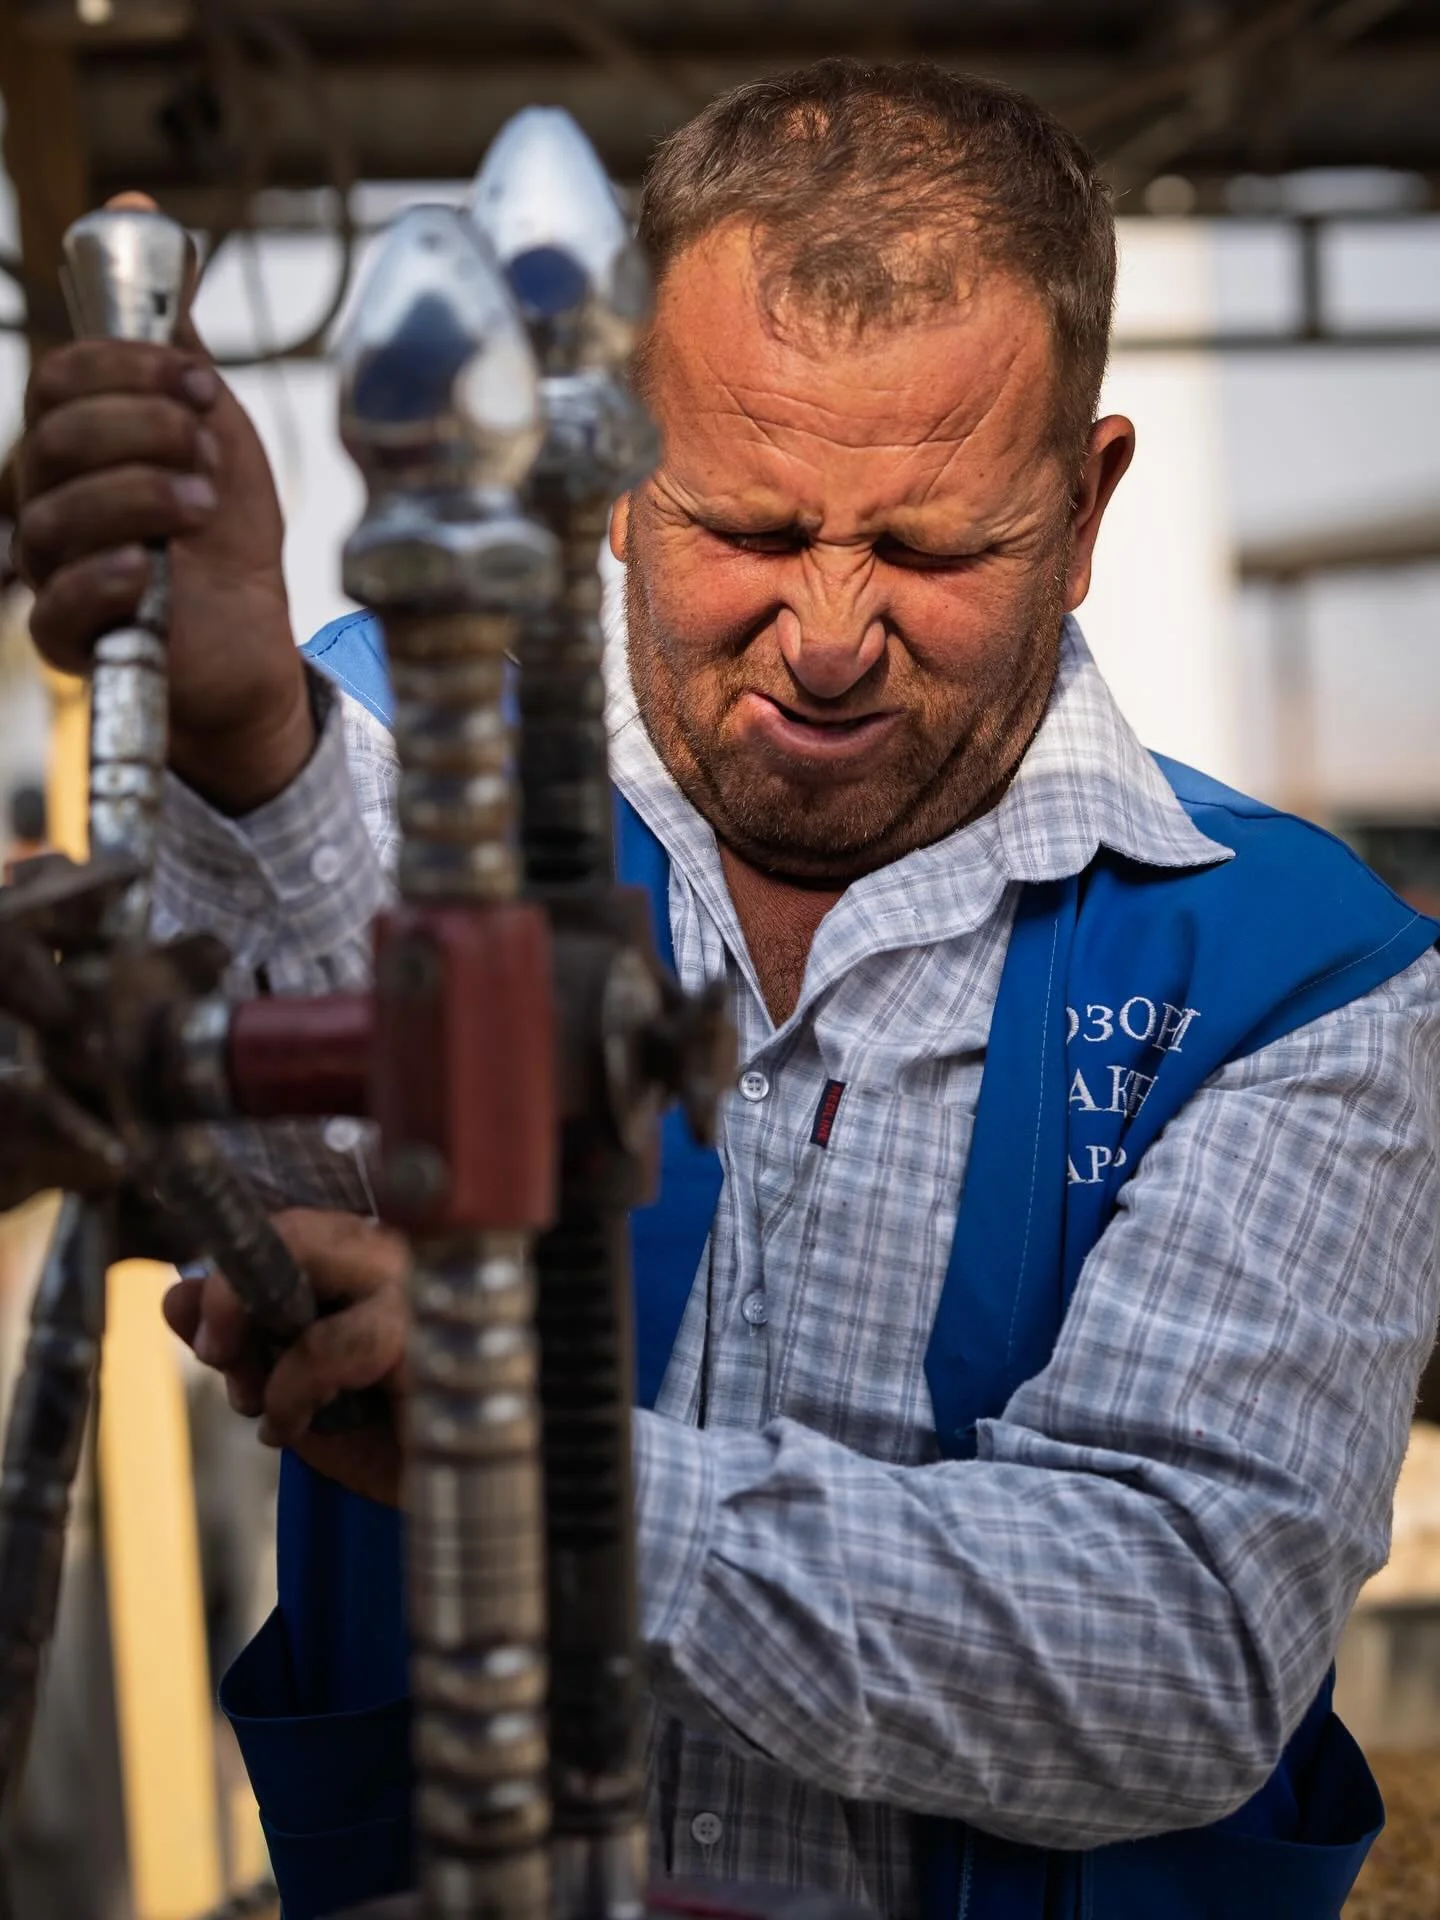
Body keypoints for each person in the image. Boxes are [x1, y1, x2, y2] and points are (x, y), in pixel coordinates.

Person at [12, 57, 1440, 1920]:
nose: (830, 637)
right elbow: (289, 1138)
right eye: (750, 531)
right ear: (614, 466)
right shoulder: (375, 752)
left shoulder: (1296, 975)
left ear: (1085, 507)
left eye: (929, 547)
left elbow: (1173, 1643)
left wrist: (564, 1490)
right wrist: (233, 739)